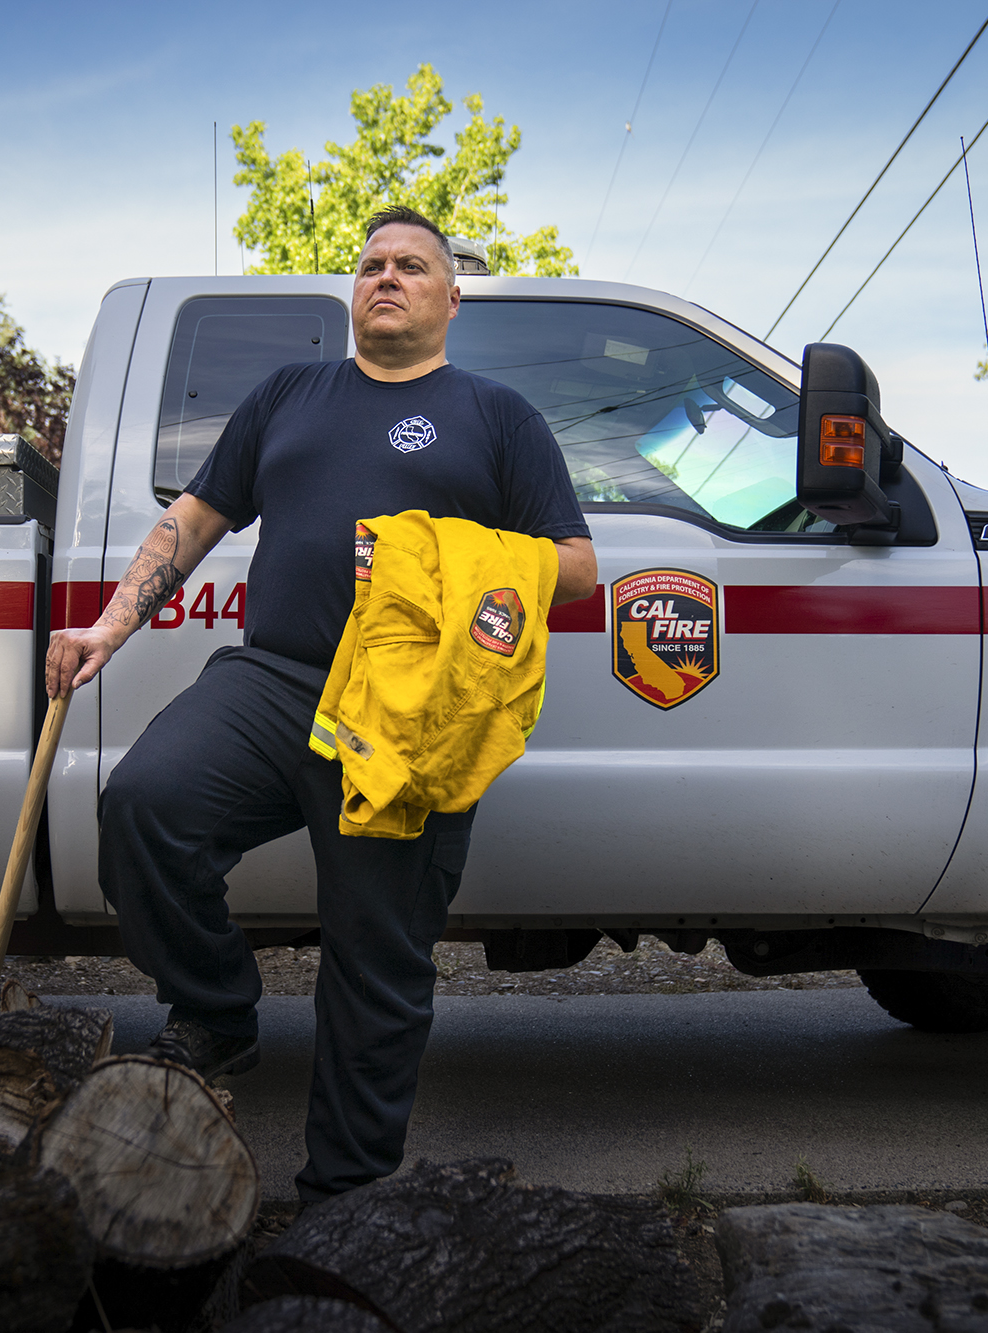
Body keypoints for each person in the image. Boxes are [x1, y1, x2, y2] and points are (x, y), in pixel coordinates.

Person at [44, 205, 597, 1203]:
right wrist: (106, 628)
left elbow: (576, 568)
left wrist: (440, 554)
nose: (386, 278)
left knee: (373, 954)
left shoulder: (494, 414)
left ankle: (344, 1196)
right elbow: (195, 517)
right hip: (274, 678)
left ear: (449, 297)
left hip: (405, 710)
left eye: (412, 266)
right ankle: (214, 1010)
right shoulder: (289, 393)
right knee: (144, 804)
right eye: (371, 264)